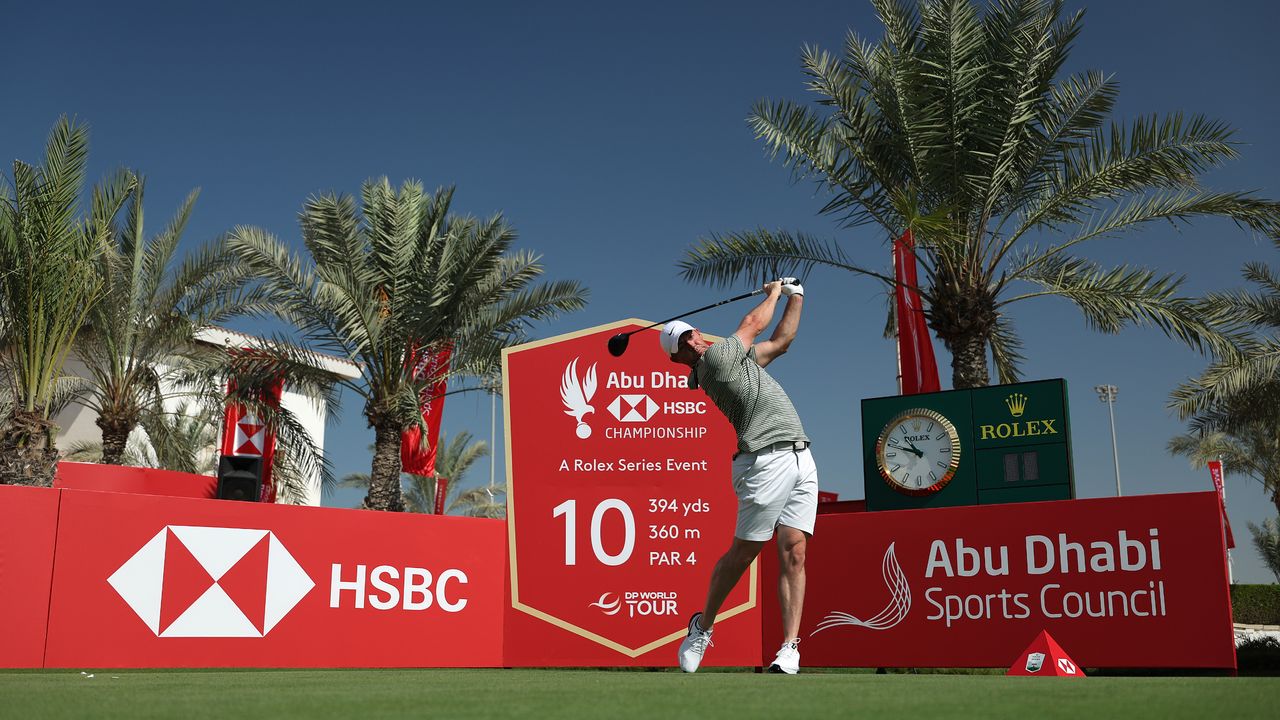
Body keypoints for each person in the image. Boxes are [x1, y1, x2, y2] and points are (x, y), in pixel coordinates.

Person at [659, 278, 817, 675]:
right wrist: (775, 293)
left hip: (801, 456)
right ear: (681, 359)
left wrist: (797, 295)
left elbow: (781, 341)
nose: (693, 341)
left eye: (691, 334)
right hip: (763, 462)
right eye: (683, 344)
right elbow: (754, 324)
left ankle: (789, 648)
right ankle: (703, 626)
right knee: (743, 555)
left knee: (794, 552)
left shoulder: (739, 362)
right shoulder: (714, 363)